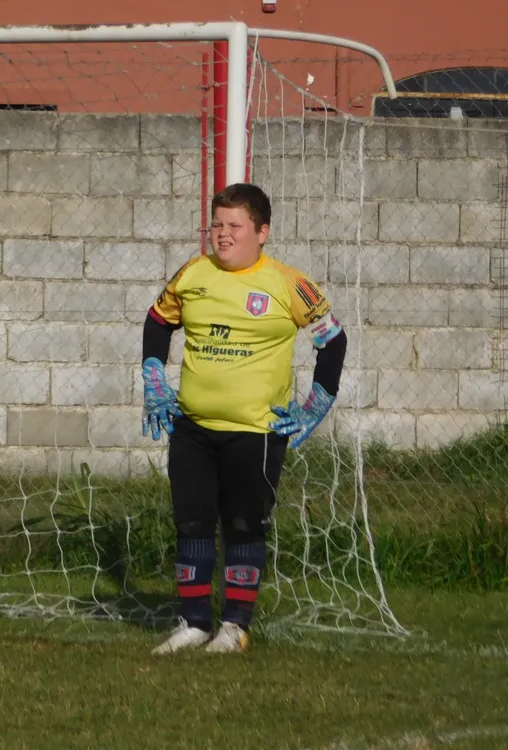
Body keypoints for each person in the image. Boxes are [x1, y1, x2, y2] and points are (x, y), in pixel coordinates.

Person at [141, 183, 347, 655]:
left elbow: (332, 341)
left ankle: (234, 627)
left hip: (256, 432)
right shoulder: (193, 273)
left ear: (262, 231)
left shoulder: (288, 283)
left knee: (243, 524)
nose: (223, 235)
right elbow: (157, 322)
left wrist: (316, 402)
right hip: (191, 428)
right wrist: (154, 376)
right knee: (191, 523)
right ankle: (192, 623)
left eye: (234, 226)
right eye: (217, 224)